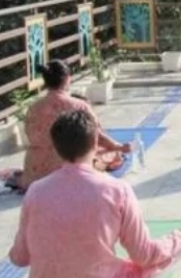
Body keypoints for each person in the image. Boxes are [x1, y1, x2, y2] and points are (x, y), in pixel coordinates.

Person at [8, 109, 181, 278]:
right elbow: (145, 255)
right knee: (172, 252)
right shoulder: (117, 190)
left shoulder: (36, 192)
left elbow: (19, 258)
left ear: (56, 147)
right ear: (96, 143)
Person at [19, 60, 130, 190]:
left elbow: (30, 136)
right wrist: (117, 146)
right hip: (67, 165)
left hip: (35, 170)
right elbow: (95, 135)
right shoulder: (79, 106)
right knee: (110, 154)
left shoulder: (33, 108)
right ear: (67, 79)